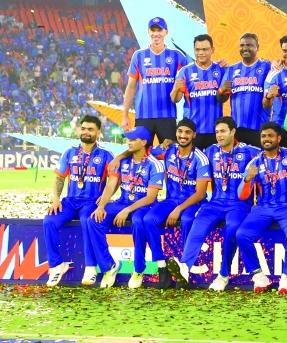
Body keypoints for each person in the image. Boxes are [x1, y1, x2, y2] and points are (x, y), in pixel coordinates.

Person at [169, 116, 261, 291]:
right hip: (215, 203)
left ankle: (223, 275)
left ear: (233, 132)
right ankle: (185, 266)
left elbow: (273, 152)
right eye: (217, 132)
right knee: (197, 225)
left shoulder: (249, 151)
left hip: (239, 204)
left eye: (223, 131)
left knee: (232, 227)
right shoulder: (210, 151)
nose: (219, 135)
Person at [86, 126, 165, 289]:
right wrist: (101, 206)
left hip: (144, 205)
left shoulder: (154, 165)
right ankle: (108, 266)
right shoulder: (122, 161)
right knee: (93, 220)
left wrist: (127, 210)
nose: (128, 142)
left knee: (138, 222)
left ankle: (138, 270)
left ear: (143, 142)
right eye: (128, 139)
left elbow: (150, 197)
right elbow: (110, 186)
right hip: (122, 202)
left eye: (133, 139)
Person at [44, 115, 114, 287]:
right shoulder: (70, 152)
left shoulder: (106, 154)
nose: (86, 132)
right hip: (70, 201)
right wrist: (55, 200)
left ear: (98, 132)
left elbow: (114, 182)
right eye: (83, 128)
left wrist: (103, 202)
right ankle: (56, 265)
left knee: (86, 221)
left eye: (90, 129)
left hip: (91, 201)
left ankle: (90, 267)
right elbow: (59, 178)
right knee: (49, 221)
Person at [234, 122, 287, 294]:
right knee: (242, 235)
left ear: (279, 138)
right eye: (263, 136)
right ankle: (259, 276)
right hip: (263, 208)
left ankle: (286, 278)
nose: (266, 139)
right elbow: (241, 195)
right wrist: (248, 179)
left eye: (270, 136)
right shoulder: (254, 162)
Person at [141, 118, 209, 289]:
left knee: (187, 220)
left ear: (194, 135)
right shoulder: (168, 150)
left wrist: (179, 209)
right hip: (170, 199)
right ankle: (162, 266)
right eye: (180, 132)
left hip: (193, 202)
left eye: (187, 132)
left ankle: (183, 270)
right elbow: (142, 150)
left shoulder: (201, 158)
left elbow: (201, 193)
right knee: (149, 220)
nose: (183, 135)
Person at [122, 17, 188, 144]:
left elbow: (190, 75)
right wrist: (125, 116)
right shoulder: (139, 55)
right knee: (142, 154)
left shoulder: (176, 55)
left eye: (159, 30)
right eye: (153, 30)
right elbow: (131, 87)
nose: (156, 33)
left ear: (166, 32)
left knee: (170, 154)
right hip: (143, 115)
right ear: (148, 32)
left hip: (167, 115)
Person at [218, 33, 276, 147]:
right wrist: (221, 90)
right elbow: (221, 99)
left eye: (249, 45)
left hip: (260, 128)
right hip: (237, 128)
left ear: (257, 47)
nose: (245, 48)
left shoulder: (268, 67)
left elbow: (270, 100)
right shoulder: (231, 70)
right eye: (242, 45)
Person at [172, 35, 224, 149]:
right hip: (192, 130)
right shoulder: (185, 71)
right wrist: (176, 89)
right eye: (197, 49)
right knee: (192, 164)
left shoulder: (221, 69)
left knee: (214, 165)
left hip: (215, 129)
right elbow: (175, 99)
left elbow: (225, 96)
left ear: (212, 50)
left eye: (204, 49)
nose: (201, 52)